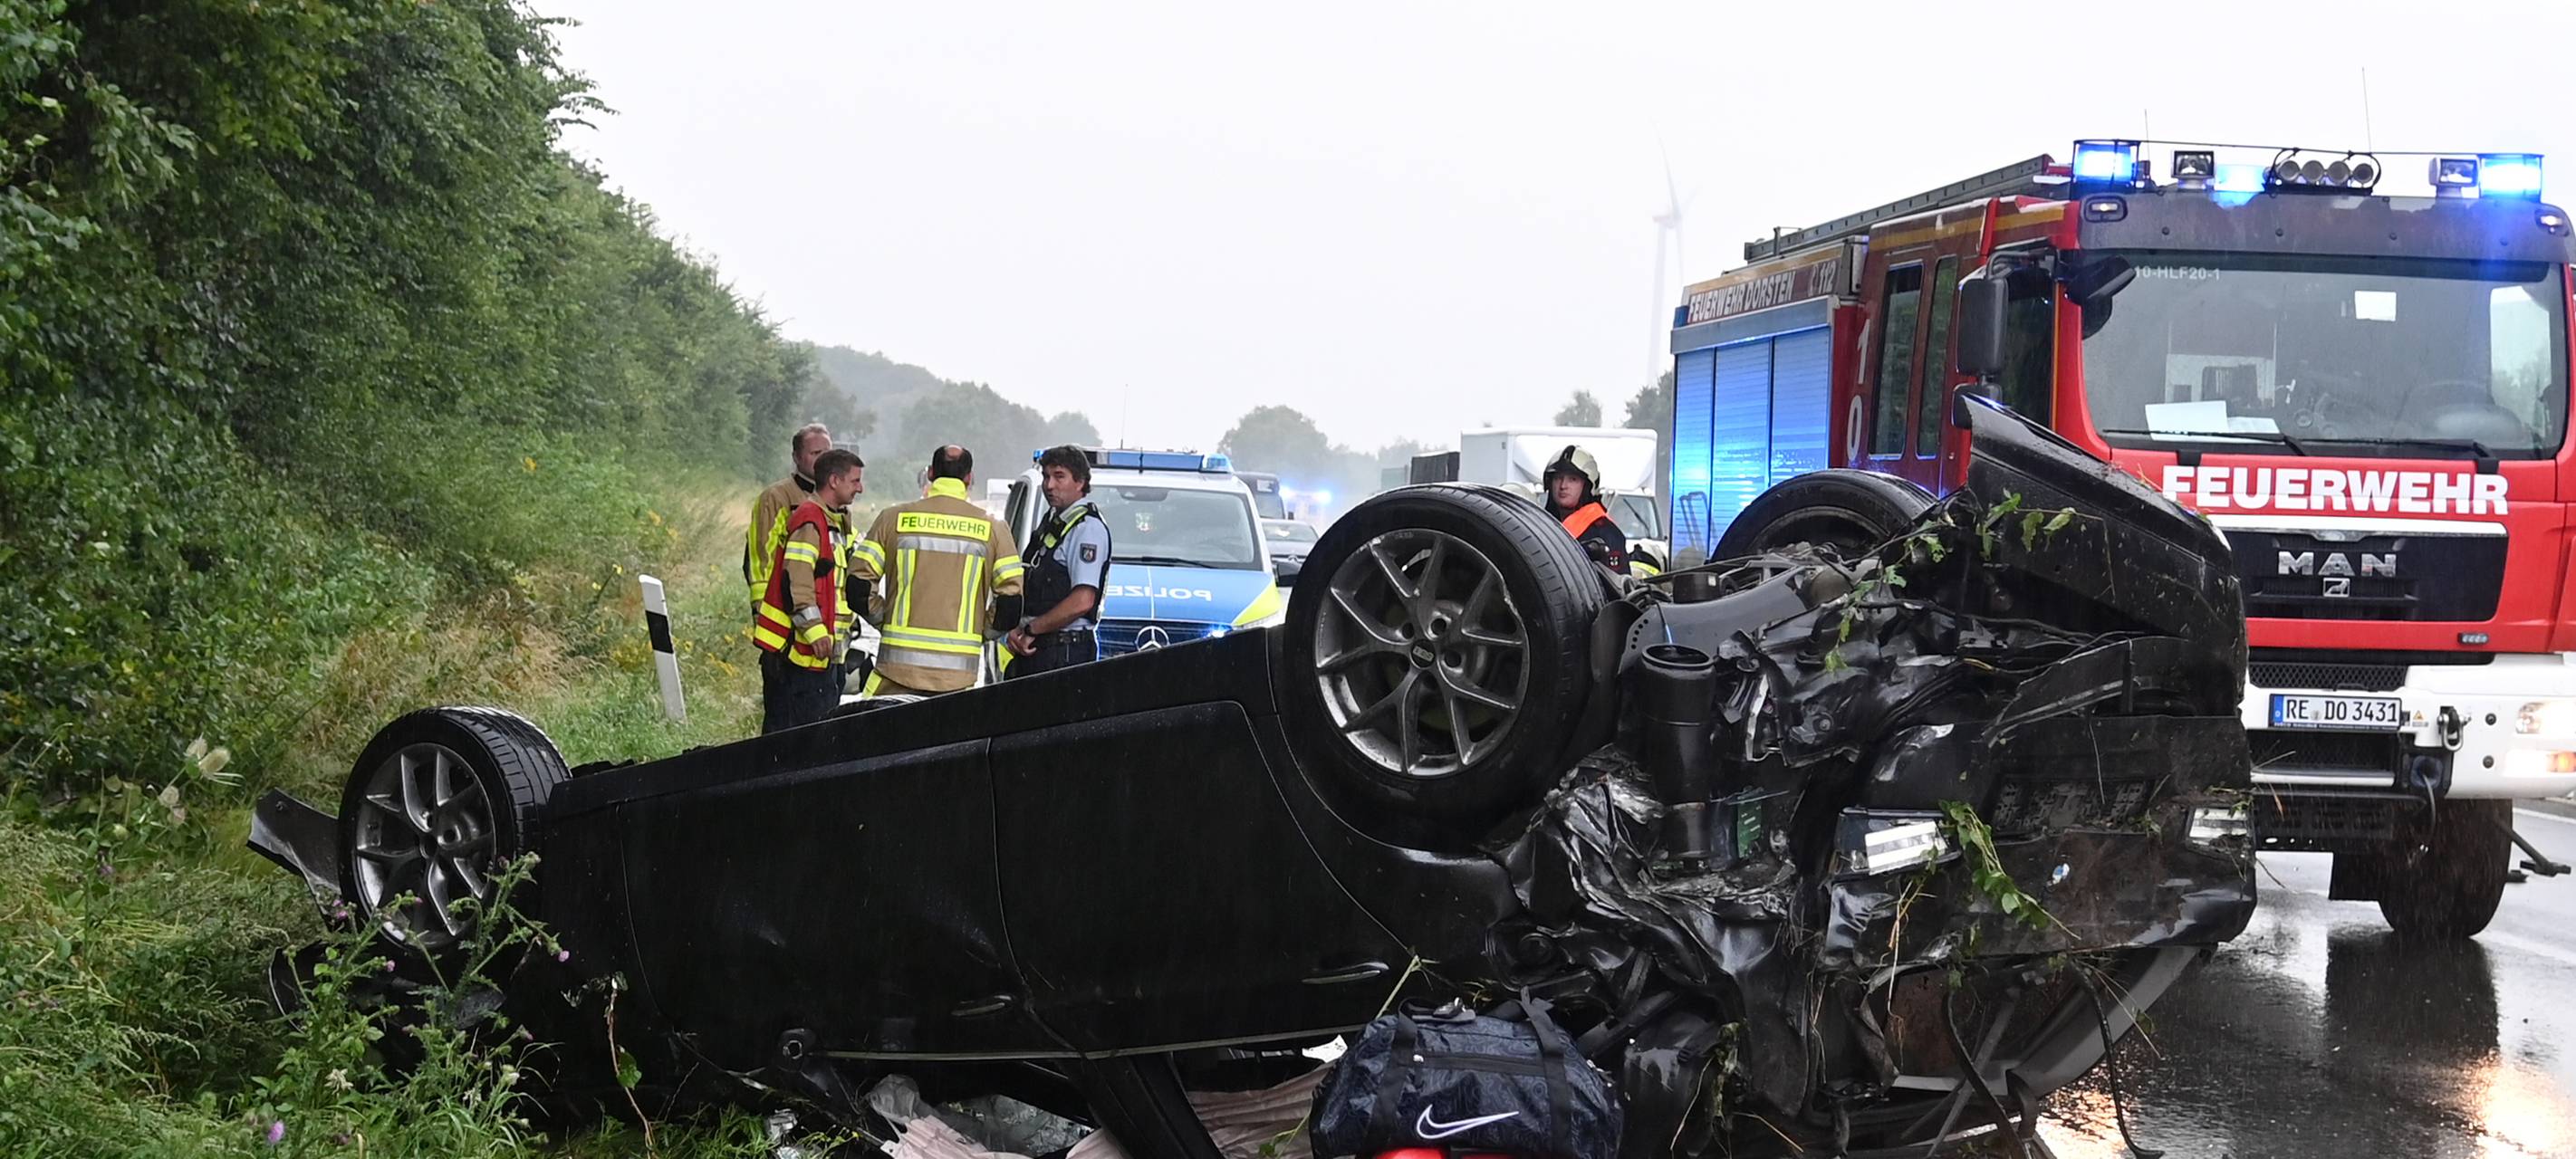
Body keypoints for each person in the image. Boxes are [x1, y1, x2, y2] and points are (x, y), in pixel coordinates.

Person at [846, 445, 1025, 696]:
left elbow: (857, 586)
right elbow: (1010, 604)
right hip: (956, 682)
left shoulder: (893, 518)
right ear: (969, 478)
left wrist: (885, 622)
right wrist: (979, 633)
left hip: (895, 674)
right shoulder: (994, 528)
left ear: (930, 473)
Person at [754, 448, 865, 733]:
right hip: (800, 654)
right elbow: (796, 583)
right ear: (833, 481)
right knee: (797, 740)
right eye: (854, 481)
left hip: (824, 656)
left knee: (813, 737)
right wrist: (815, 631)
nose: (860, 488)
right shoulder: (810, 520)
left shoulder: (834, 520)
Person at [1004, 445, 1112, 680]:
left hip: (1064, 653)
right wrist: (1016, 626)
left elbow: (1082, 601)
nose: (1049, 485)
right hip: (1041, 650)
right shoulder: (1054, 523)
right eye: (1046, 476)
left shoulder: (1087, 529)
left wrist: (1032, 629)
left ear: (1081, 482)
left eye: (1059, 476)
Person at [1543, 445, 1629, 575]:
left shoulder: (1607, 534)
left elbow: (1617, 590)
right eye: (1558, 478)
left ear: (1587, 486)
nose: (1563, 486)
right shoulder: (1542, 525)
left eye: (1573, 479)